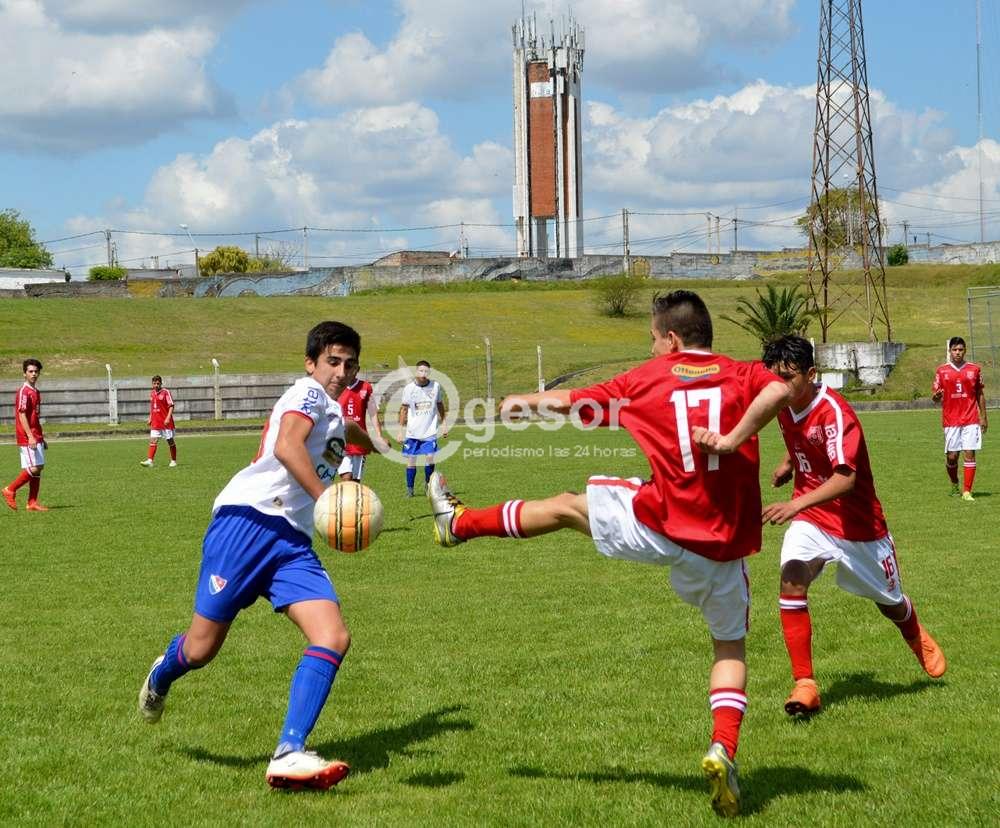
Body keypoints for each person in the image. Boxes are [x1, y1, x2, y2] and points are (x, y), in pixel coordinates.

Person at [427, 290, 791, 818]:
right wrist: (734, 439)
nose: (651, 348)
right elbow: (780, 388)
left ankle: (459, 524)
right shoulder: (742, 373)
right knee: (729, 648)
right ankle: (722, 748)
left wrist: (520, 402)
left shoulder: (646, 380)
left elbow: (570, 403)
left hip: (662, 526)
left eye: (652, 339)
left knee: (565, 507)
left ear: (671, 339)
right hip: (723, 550)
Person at [137, 321, 387, 790]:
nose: (341, 371)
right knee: (200, 649)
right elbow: (287, 446)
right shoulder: (307, 393)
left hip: (291, 542)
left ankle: (289, 752)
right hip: (248, 522)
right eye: (332, 361)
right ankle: (162, 673)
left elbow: (348, 430)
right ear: (311, 363)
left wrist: (377, 442)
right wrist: (329, 501)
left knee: (332, 636)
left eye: (350, 364)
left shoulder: (334, 411)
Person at [761, 335, 946, 719]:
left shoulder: (835, 412)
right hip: (814, 518)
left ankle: (914, 634)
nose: (781, 385)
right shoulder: (783, 404)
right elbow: (801, 437)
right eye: (775, 377)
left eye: (789, 377)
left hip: (859, 526)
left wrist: (793, 504)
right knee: (792, 578)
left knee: (889, 602)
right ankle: (805, 683)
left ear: (811, 374)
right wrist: (789, 463)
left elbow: (845, 479)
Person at [932, 336, 987, 501]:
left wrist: (983, 417)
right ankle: (955, 483)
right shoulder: (942, 371)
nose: (957, 352)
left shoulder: (974, 369)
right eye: (954, 349)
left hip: (971, 418)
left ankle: (967, 491)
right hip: (951, 420)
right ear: (949, 351)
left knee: (969, 453)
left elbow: (980, 394)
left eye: (960, 349)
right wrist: (936, 396)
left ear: (965, 351)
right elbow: (935, 397)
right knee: (952, 456)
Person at [3, 358, 48, 512]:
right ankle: (10, 489)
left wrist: (41, 437)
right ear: (24, 374)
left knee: (38, 468)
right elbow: (22, 415)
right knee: (34, 468)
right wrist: (30, 436)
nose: (33, 374)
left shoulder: (36, 392)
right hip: (27, 436)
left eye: (36, 371)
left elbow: (34, 416)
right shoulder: (24, 391)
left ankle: (32, 502)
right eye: (30, 371)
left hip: (36, 434)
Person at [398, 360, 447, 497]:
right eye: (421, 371)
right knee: (411, 461)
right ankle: (410, 490)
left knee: (430, 457)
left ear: (429, 373)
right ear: (416, 371)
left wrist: (444, 424)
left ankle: (428, 486)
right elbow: (403, 409)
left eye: (426, 371)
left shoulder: (435, 386)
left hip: (430, 431)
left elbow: (440, 405)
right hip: (412, 432)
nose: (423, 374)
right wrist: (400, 431)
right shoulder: (409, 389)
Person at [337, 375, 387, 481]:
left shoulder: (366, 387)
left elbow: (373, 413)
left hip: (359, 441)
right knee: (346, 477)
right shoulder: (337, 386)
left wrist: (379, 436)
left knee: (355, 481)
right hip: (340, 439)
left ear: (356, 369)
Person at [139, 375, 178, 468]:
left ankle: (173, 461)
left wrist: (168, 418)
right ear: (152, 384)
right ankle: (150, 461)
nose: (156, 385)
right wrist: (150, 418)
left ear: (161, 383)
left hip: (165, 422)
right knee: (153, 440)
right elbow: (152, 407)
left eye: (158, 383)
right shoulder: (152, 393)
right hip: (156, 422)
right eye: (154, 383)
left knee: (170, 441)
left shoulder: (165, 392)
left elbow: (171, 406)